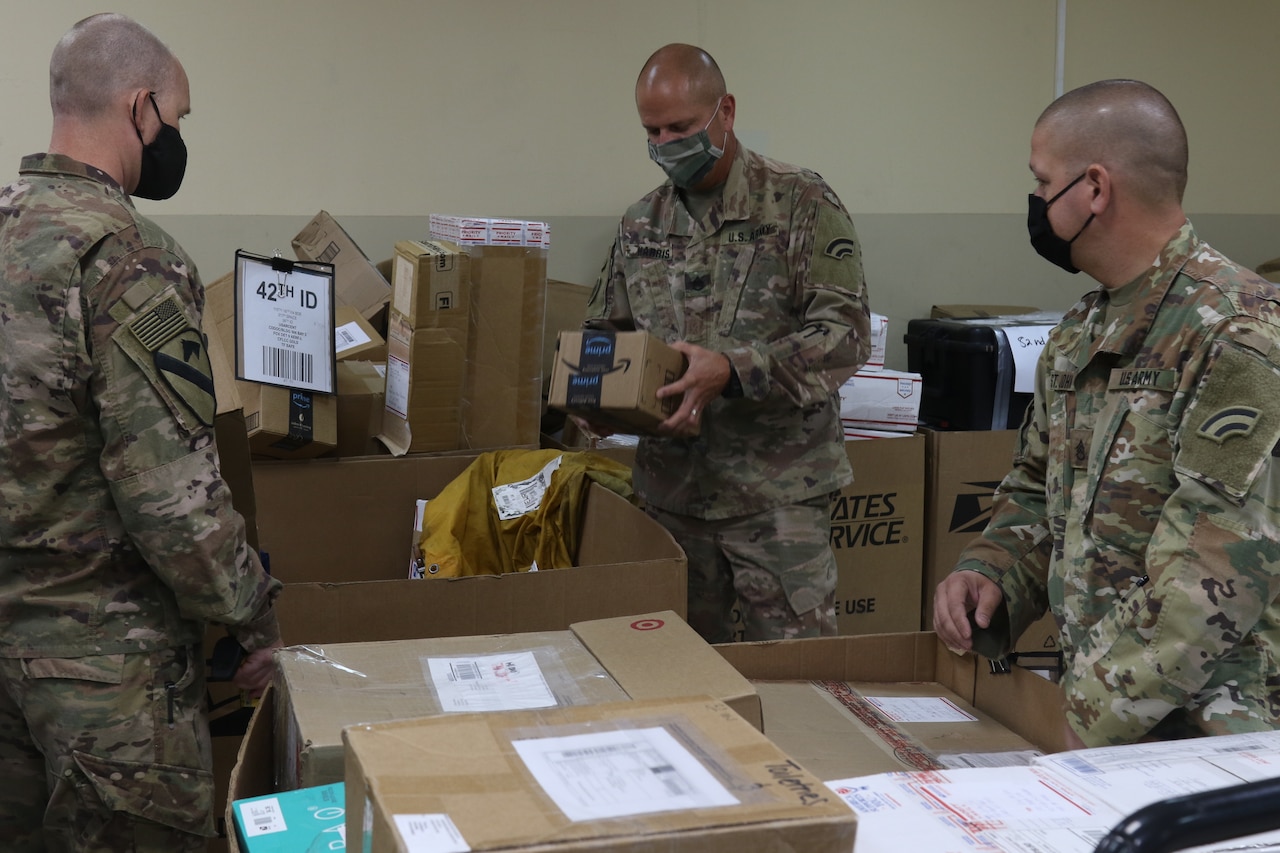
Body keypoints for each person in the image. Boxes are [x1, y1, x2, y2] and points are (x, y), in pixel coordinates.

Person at [0, 13, 282, 850]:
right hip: (106, 683)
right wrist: (253, 617)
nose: (176, 139)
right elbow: (173, 498)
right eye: (179, 119)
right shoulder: (128, 256)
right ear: (142, 107)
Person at [934, 79, 1280, 748]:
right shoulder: (1077, 337)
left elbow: (1216, 565)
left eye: (1042, 181)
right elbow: (1037, 493)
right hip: (1104, 723)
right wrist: (991, 572)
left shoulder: (1239, 333)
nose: (1035, 202)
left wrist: (1089, 714)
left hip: (1212, 740)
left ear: (1094, 188)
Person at [583, 44, 871, 643]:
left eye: (681, 127)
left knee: (801, 687)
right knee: (679, 679)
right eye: (652, 130)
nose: (665, 143)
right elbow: (606, 337)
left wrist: (735, 370)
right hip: (672, 500)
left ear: (725, 112)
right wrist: (595, 396)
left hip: (777, 498)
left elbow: (844, 336)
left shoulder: (800, 203)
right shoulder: (641, 223)